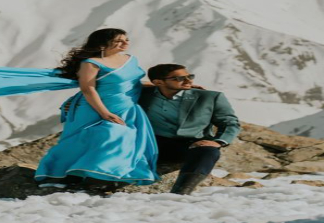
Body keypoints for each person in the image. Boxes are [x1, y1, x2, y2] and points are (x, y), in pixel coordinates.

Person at [34, 28, 159, 190]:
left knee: (119, 140)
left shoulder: (130, 59)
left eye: (126, 39)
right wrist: (105, 113)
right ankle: (66, 175)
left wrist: (168, 86)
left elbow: (133, 83)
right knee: (89, 139)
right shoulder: (91, 63)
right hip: (94, 107)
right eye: (119, 40)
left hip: (126, 107)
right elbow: (88, 89)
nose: (125, 43)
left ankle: (103, 175)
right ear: (102, 44)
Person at [139, 63, 241, 195]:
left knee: (208, 151)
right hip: (153, 144)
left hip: (189, 144)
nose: (189, 81)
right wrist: (148, 85)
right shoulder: (144, 95)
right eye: (180, 78)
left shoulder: (209, 97)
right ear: (158, 82)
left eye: (190, 76)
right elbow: (117, 83)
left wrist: (219, 141)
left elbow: (230, 123)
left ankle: (181, 192)